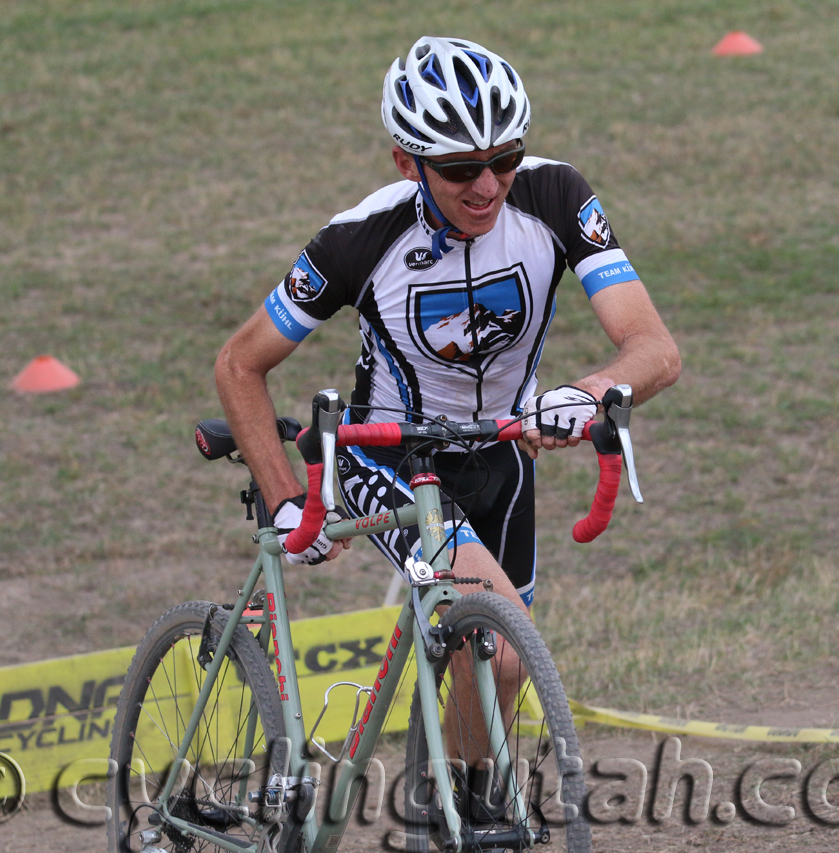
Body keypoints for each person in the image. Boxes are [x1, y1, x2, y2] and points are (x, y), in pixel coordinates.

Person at [215, 35, 679, 608]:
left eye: (505, 159)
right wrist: (285, 497)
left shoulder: (557, 195)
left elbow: (655, 349)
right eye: (461, 168)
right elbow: (239, 363)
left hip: (503, 450)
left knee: (498, 675)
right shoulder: (359, 240)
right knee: (500, 635)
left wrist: (590, 392)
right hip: (390, 455)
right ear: (407, 162)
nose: (487, 187)